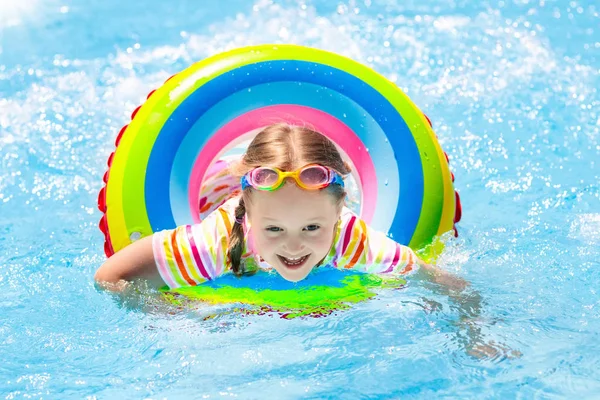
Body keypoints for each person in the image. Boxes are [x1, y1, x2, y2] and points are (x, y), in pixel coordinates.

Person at [95, 123, 517, 359]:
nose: (294, 246)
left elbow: (446, 284)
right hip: (219, 184)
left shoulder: (353, 241)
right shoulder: (214, 244)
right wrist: (174, 314)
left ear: (339, 212)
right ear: (249, 214)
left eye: (312, 229)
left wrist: (472, 334)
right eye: (274, 230)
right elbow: (111, 277)